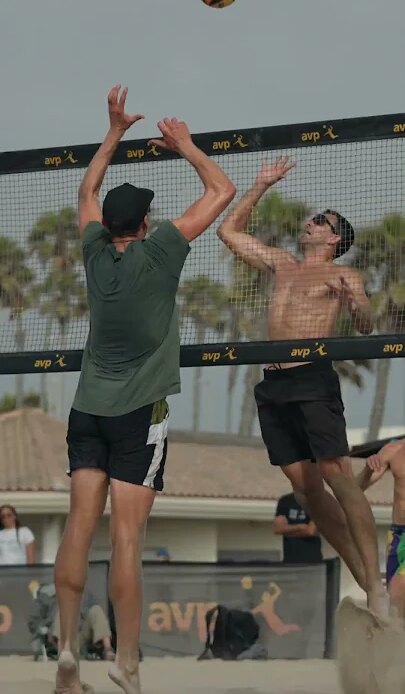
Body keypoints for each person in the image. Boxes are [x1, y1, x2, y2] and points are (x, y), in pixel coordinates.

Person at [53, 84, 235, 694]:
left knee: (80, 528)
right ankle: (127, 665)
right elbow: (223, 191)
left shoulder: (94, 251)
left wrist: (113, 130)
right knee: (126, 541)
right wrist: (184, 143)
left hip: (86, 411)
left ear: (109, 226)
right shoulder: (160, 251)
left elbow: (85, 191)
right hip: (137, 415)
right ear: (147, 223)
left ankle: (69, 652)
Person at [217, 157, 386, 616]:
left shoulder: (342, 274)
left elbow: (367, 324)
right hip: (273, 383)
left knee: (336, 473)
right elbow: (227, 232)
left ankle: (377, 583)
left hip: (312, 376)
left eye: (321, 221)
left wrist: (356, 305)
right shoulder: (283, 264)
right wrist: (259, 185)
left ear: (334, 239)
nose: (310, 222)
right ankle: (363, 575)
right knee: (307, 490)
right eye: (313, 218)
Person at [356, 439, 405, 617]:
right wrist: (368, 469)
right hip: (398, 535)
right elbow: (355, 489)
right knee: (394, 602)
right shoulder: (394, 449)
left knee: (399, 587)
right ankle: (398, 642)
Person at [274, 492, 322, 564]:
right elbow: (278, 528)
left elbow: (311, 531)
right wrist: (300, 527)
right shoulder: (285, 501)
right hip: (290, 561)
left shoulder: (317, 501)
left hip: (312, 562)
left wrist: (287, 531)